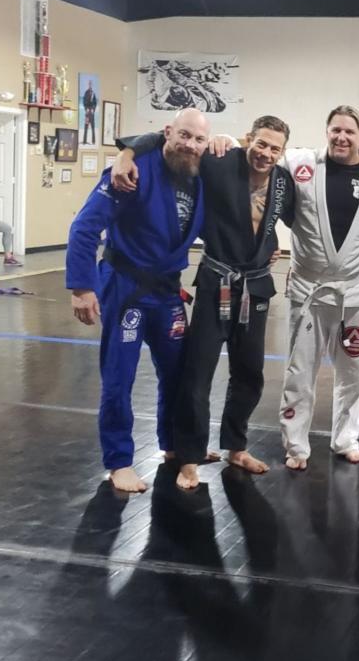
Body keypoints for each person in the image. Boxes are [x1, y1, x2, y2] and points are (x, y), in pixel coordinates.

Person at [112, 115, 297, 490]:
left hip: (256, 286)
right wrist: (126, 154)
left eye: (274, 148)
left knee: (250, 373)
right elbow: (173, 141)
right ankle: (189, 457)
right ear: (248, 138)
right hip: (217, 283)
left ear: (283, 152)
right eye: (261, 144)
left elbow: (275, 222)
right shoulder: (220, 160)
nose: (265, 153)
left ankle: (236, 447)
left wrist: (270, 245)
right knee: (197, 373)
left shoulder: (283, 181)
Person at [65, 108, 208, 493]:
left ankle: (173, 444)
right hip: (125, 287)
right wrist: (82, 287)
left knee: (177, 373)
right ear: (167, 132)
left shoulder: (199, 174)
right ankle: (119, 461)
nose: (191, 145)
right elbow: (84, 228)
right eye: (184, 135)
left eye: (199, 139)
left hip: (167, 291)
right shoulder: (131, 171)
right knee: (119, 376)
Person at [278, 106, 359, 471]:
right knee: (299, 371)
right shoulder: (300, 163)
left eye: (349, 131)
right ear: (327, 131)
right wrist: (224, 140)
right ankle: (295, 445)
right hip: (309, 289)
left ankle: (346, 439)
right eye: (335, 130)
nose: (341, 137)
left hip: (356, 292)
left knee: (353, 372)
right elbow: (258, 155)